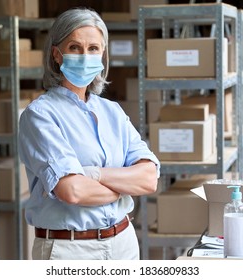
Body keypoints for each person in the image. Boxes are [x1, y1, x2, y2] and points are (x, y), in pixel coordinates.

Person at [18, 7, 160, 260]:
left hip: (123, 243)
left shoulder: (112, 112)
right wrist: (124, 187)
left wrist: (92, 173)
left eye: (93, 49)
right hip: (71, 249)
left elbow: (149, 178)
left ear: (102, 54)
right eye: (75, 47)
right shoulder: (40, 115)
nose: (85, 56)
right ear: (57, 55)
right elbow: (72, 191)